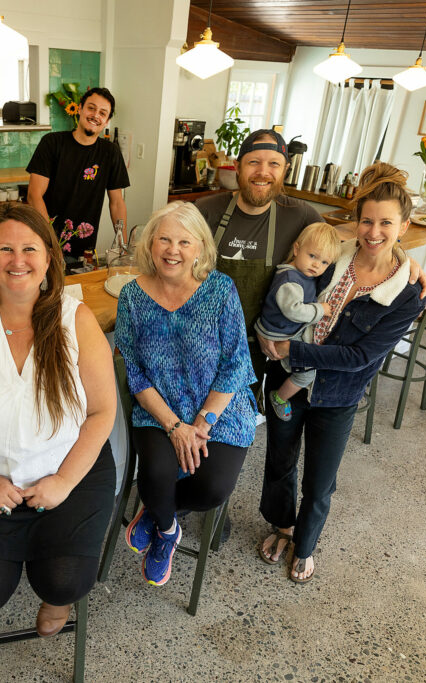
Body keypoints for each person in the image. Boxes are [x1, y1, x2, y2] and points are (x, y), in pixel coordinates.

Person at [0, 204, 116, 659]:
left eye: (30, 249)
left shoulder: (76, 319)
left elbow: (102, 412)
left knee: (66, 580)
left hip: (69, 474)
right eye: (6, 249)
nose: (18, 260)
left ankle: (56, 603)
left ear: (49, 257)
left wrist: (64, 481)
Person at [256, 162, 426, 583]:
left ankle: (305, 544)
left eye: (386, 223)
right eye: (367, 221)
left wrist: (293, 349)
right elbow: (290, 276)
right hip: (287, 376)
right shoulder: (332, 256)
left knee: (320, 480)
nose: (374, 232)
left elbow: (361, 356)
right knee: (279, 461)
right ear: (355, 221)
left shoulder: (406, 294)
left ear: (404, 226)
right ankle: (283, 526)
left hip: (337, 393)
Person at [196, 129, 426, 378]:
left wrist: (402, 260)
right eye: (254, 162)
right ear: (237, 166)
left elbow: (350, 244)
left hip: (255, 347)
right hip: (201, 339)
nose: (263, 172)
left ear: (285, 170)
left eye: (274, 164)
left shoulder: (300, 215)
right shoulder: (206, 210)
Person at [113, 202, 256, 586]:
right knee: (155, 476)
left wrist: (201, 423)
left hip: (219, 409)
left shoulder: (220, 290)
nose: (172, 250)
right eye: (164, 239)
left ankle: (158, 511)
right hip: (159, 408)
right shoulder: (131, 297)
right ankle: (167, 529)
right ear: (150, 243)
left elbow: (235, 364)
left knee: (212, 488)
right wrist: (175, 426)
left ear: (200, 248)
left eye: (183, 241)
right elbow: (135, 373)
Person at [27, 87, 129, 256]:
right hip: (44, 242)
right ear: (80, 108)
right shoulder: (52, 143)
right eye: (91, 108)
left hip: (85, 248)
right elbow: (34, 195)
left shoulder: (110, 152)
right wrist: (51, 242)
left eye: (102, 113)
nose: (95, 115)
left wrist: (122, 245)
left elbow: (117, 202)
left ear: (107, 121)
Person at [255, 222, 341, 421]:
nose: (316, 265)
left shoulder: (301, 274)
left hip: (285, 328)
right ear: (296, 249)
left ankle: (282, 366)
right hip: (281, 332)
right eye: (312, 256)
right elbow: (293, 310)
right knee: (307, 373)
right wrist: (321, 310)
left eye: (324, 262)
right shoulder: (290, 280)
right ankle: (279, 398)